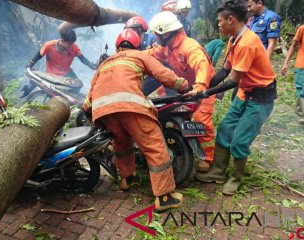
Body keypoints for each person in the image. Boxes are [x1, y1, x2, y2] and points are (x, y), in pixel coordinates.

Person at [83, 29, 189, 211]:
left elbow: (89, 98)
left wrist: (88, 111)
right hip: (130, 106)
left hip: (104, 111)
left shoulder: (105, 63)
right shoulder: (139, 56)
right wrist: (183, 85)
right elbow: (163, 74)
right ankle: (164, 197)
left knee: (121, 142)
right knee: (154, 145)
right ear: (136, 45)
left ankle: (126, 178)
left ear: (118, 47)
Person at [194, 0, 277, 195]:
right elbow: (225, 70)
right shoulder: (233, 40)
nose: (219, 24)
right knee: (225, 129)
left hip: (260, 98)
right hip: (244, 93)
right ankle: (217, 172)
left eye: (220, 21)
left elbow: (233, 80)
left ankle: (235, 178)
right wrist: (203, 85)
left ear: (231, 19)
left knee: (240, 140)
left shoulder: (248, 43)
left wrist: (206, 94)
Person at [147, 11, 216, 173]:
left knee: (201, 119)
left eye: (157, 34)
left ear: (166, 33)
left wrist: (199, 87)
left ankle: (208, 158)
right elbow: (149, 54)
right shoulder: (167, 48)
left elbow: (202, 65)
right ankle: (184, 146)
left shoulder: (188, 46)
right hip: (188, 88)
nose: (155, 38)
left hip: (205, 88)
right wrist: (129, 55)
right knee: (180, 115)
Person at [27, 29, 96, 78]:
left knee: (78, 85)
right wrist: (31, 63)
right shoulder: (49, 45)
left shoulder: (74, 47)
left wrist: (91, 65)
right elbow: (39, 55)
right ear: (62, 41)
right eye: (69, 43)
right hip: (52, 74)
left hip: (67, 72)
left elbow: (82, 58)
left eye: (72, 43)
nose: (71, 45)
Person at [281, 25, 304, 125]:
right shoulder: (302, 29)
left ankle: (300, 112)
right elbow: (293, 46)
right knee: (302, 90)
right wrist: (286, 63)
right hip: (301, 65)